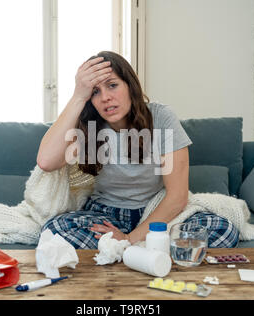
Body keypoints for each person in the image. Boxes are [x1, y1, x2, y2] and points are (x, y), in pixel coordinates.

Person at [37, 51, 239, 249]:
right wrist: (78, 97)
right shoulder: (87, 125)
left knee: (223, 230)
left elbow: (177, 197)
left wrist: (128, 239)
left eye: (113, 85)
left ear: (130, 86)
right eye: (95, 92)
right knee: (53, 231)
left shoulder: (161, 117)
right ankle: (143, 251)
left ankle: (122, 250)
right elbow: (46, 162)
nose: (105, 97)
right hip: (106, 216)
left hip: (156, 212)